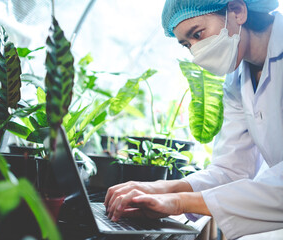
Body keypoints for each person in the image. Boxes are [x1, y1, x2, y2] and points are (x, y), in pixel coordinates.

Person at [104, 0, 283, 239]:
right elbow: (232, 169)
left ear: (237, 11)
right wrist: (157, 188)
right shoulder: (237, 79)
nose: (197, 52)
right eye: (188, 45)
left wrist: (179, 202)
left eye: (198, 34)